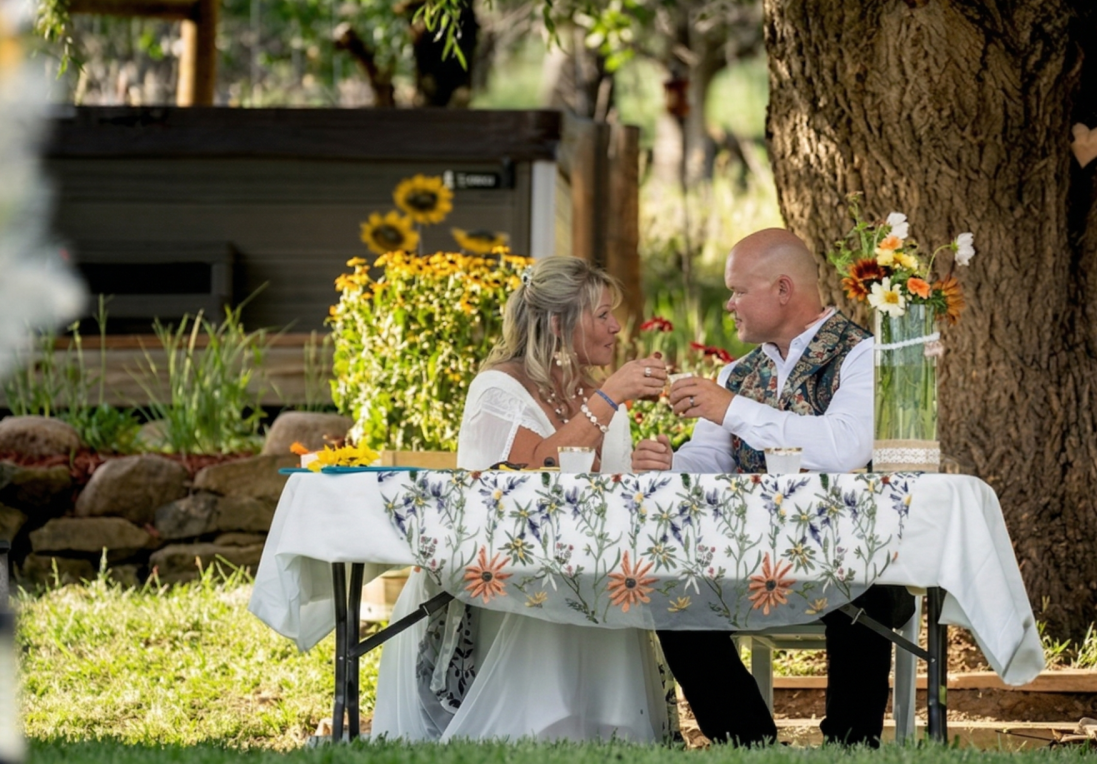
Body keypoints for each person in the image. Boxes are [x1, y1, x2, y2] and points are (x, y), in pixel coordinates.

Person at [371, 256, 675, 741]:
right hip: (507, 576)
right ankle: (534, 727)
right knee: (550, 590)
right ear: (558, 323)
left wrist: (640, 468)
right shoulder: (498, 388)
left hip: (589, 572)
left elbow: (603, 501)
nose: (616, 327)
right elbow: (528, 478)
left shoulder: (599, 397)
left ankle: (602, 730)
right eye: (602, 315)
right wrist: (610, 398)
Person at [632, 228, 911, 747]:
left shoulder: (863, 356)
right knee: (671, 589)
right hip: (750, 559)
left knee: (865, 589)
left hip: (850, 555)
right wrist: (669, 465)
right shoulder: (737, 372)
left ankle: (851, 749)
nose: (730, 304)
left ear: (783, 289)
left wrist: (731, 408)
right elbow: (713, 459)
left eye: (738, 291)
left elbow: (844, 447)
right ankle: (748, 745)